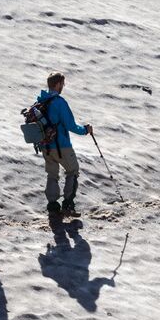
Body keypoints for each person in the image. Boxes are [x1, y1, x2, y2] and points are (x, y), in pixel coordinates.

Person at [34, 71, 93, 216]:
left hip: (46, 146)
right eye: (62, 84)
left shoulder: (41, 102)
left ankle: (53, 206)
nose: (63, 87)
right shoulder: (59, 102)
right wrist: (85, 130)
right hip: (62, 145)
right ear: (58, 84)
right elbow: (70, 125)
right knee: (72, 171)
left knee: (52, 175)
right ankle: (68, 205)